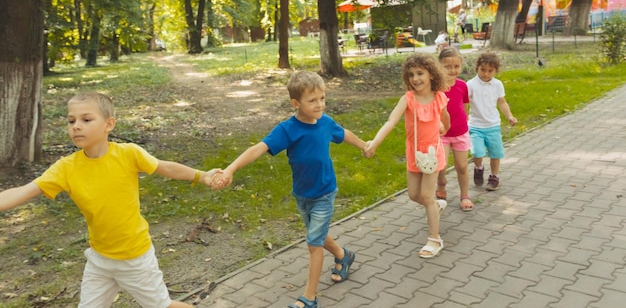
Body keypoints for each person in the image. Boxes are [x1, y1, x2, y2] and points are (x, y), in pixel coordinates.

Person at [0, 92, 220, 308]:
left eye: (86, 120)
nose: (76, 126)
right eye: (71, 120)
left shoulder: (129, 154)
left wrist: (202, 175)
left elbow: (165, 167)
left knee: (162, 306)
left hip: (135, 259)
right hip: (99, 260)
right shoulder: (65, 168)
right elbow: (24, 191)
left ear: (109, 124)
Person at [211, 71, 368, 308]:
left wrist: (364, 145)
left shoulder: (325, 123)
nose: (320, 105)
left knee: (314, 244)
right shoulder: (287, 129)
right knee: (318, 233)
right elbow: (259, 148)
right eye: (312, 100)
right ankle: (343, 255)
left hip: (325, 193)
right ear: (296, 103)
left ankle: (310, 297)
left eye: (322, 98)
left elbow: (343, 134)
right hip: (302, 194)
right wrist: (230, 169)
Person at [364, 53, 450, 258]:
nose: (415, 78)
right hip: (414, 152)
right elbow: (391, 121)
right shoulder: (408, 98)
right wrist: (374, 142)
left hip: (432, 152)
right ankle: (436, 207)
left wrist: (444, 127)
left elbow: (445, 116)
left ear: (431, 74)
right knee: (414, 194)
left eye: (420, 73)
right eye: (411, 74)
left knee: (427, 195)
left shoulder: (439, 96)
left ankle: (434, 239)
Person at [467, 52, 517, 191]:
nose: (486, 74)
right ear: (477, 68)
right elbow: (464, 103)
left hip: (493, 125)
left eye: (490, 71)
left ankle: (494, 177)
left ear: (496, 71)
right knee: (477, 152)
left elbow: (502, 102)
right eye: (483, 70)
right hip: (475, 125)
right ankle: (478, 168)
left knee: (495, 153)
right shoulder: (470, 84)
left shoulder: (497, 84)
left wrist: (510, 116)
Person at [436, 48, 473, 211]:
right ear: (439, 66)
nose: (452, 70)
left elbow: (465, 106)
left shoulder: (462, 85)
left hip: (460, 133)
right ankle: (441, 183)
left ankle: (464, 195)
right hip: (442, 134)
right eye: (447, 66)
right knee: (441, 166)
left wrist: (465, 121)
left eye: (456, 66)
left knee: (462, 166)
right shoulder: (435, 87)